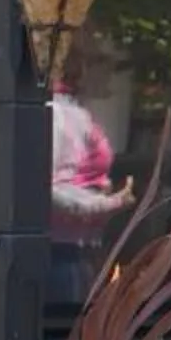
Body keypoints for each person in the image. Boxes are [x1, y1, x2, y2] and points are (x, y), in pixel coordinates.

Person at [49, 87, 137, 241]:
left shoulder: (74, 111)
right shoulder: (57, 113)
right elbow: (48, 188)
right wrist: (108, 204)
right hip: (60, 241)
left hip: (80, 238)